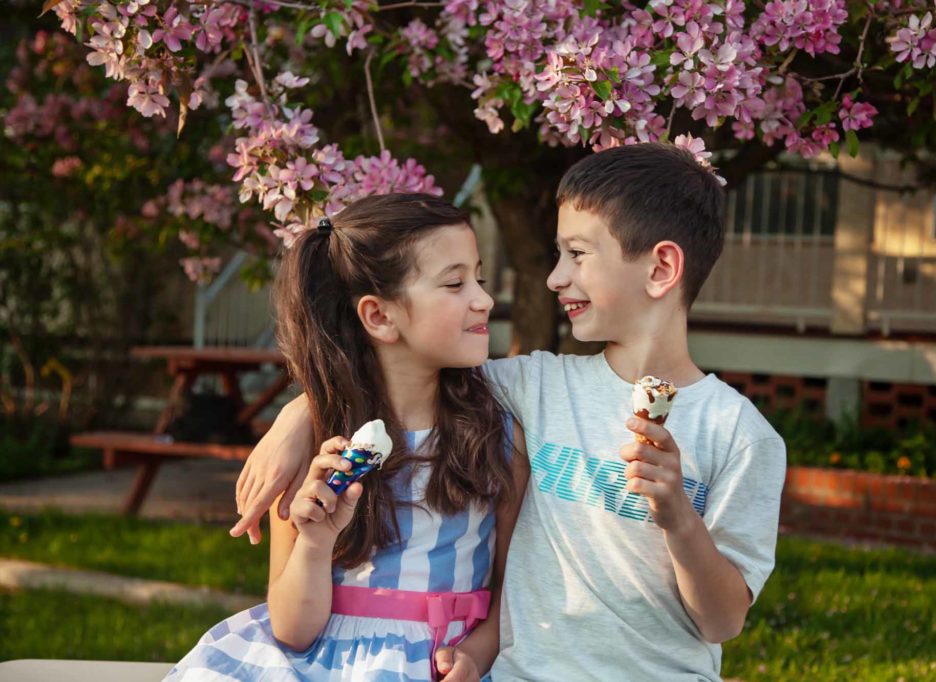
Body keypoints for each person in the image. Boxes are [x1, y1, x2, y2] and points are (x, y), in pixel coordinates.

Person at [233, 143, 786, 681]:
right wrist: (301, 415)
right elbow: (398, 373)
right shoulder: (534, 385)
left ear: (661, 267)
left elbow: (723, 621)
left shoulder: (740, 436)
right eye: (558, 254)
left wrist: (679, 520)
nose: (554, 278)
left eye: (578, 254)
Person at [167, 194, 528, 681]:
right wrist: (314, 543)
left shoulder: (496, 435)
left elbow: (513, 585)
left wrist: (479, 652)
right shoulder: (319, 452)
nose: (483, 298)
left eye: (479, 279)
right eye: (455, 283)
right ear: (379, 316)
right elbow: (293, 630)